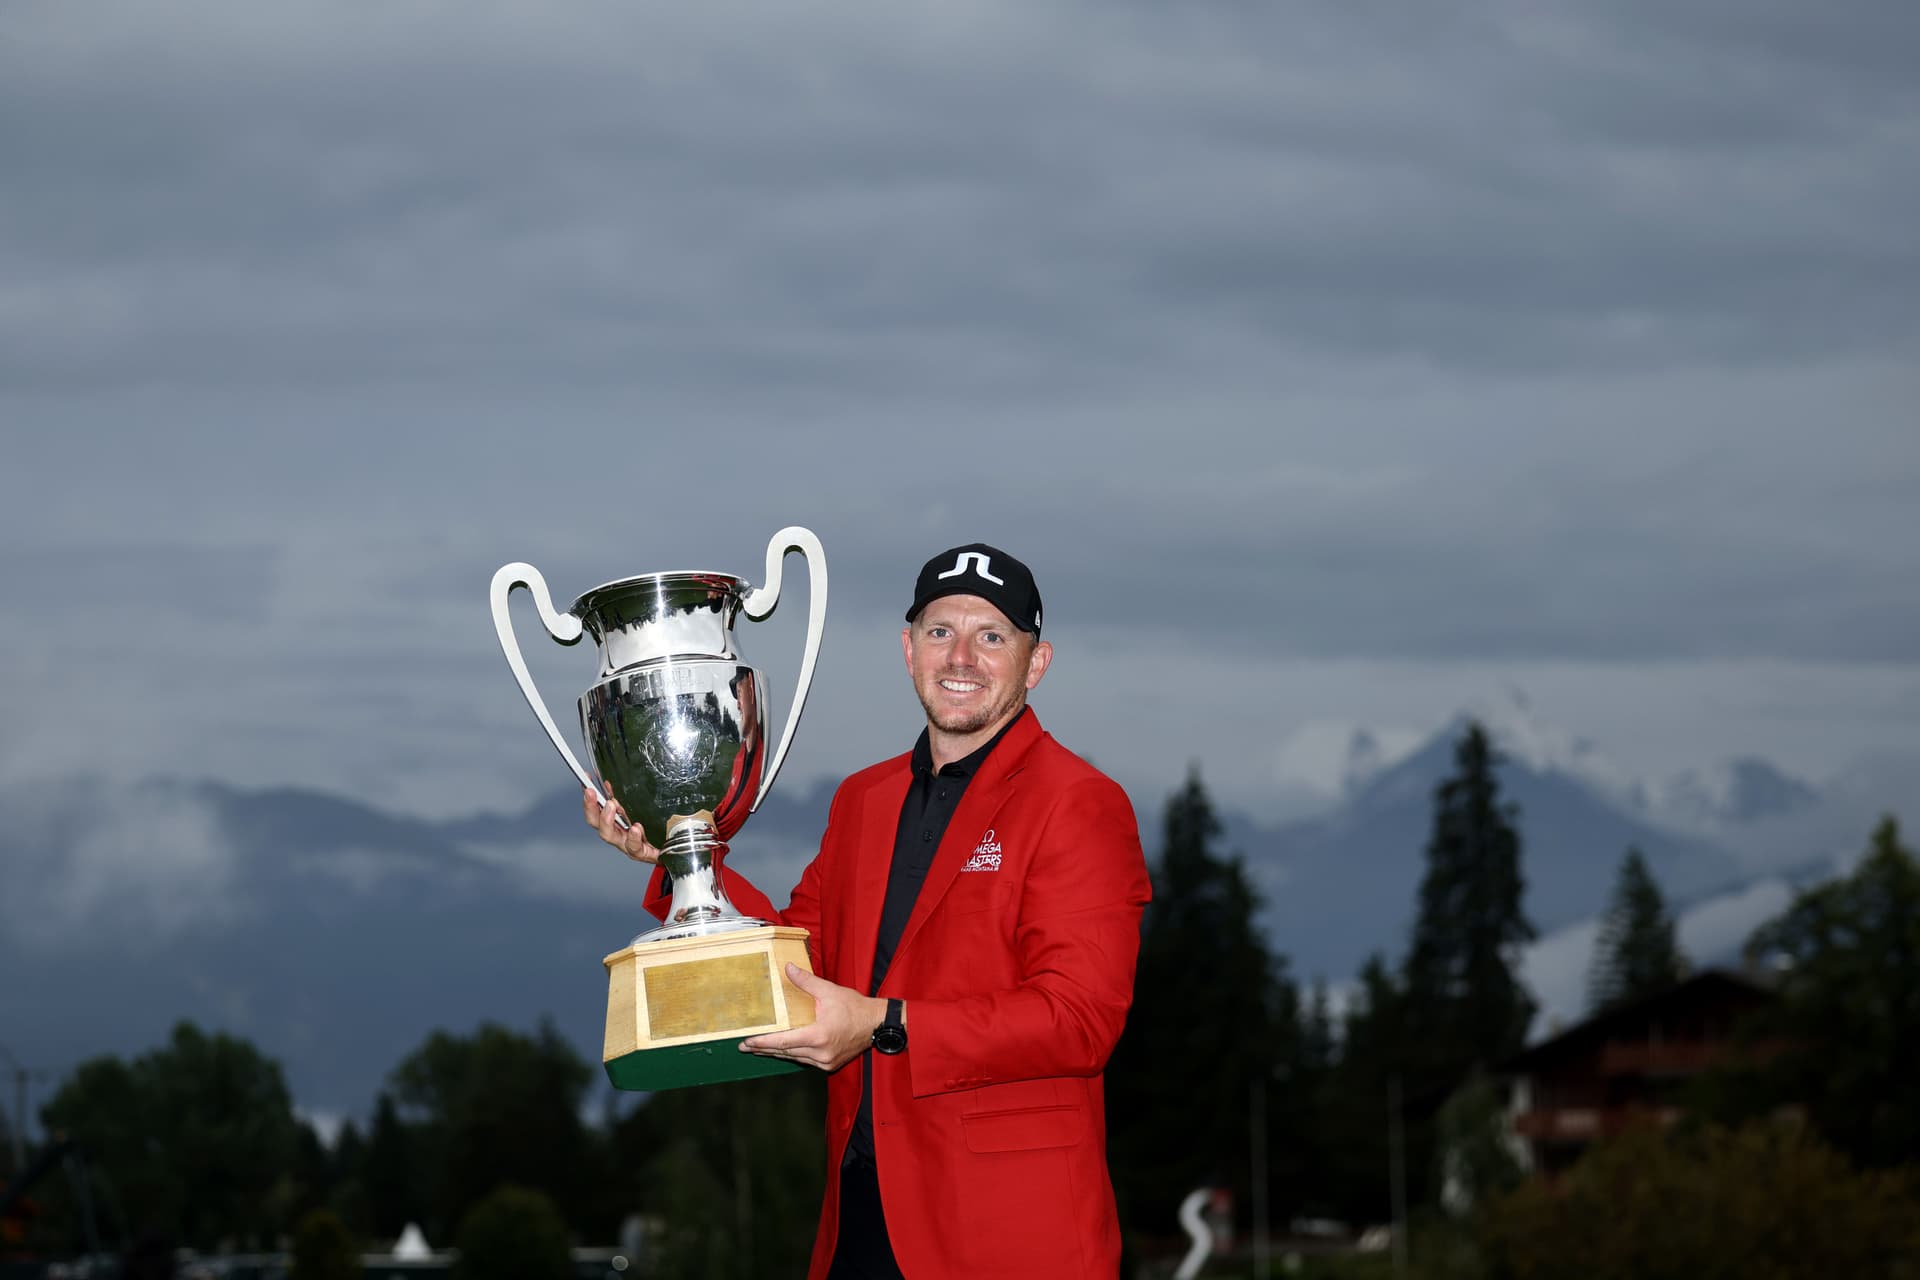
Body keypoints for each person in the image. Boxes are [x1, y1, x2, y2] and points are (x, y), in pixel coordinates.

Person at [586, 542, 1151, 1279]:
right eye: (940, 631)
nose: (962, 657)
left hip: (1009, 1235)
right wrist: (679, 855)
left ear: (1035, 662)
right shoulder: (864, 800)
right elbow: (798, 963)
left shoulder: (1078, 802)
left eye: (992, 637)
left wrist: (884, 1021)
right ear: (908, 650)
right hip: (860, 1225)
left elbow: (1079, 1021)